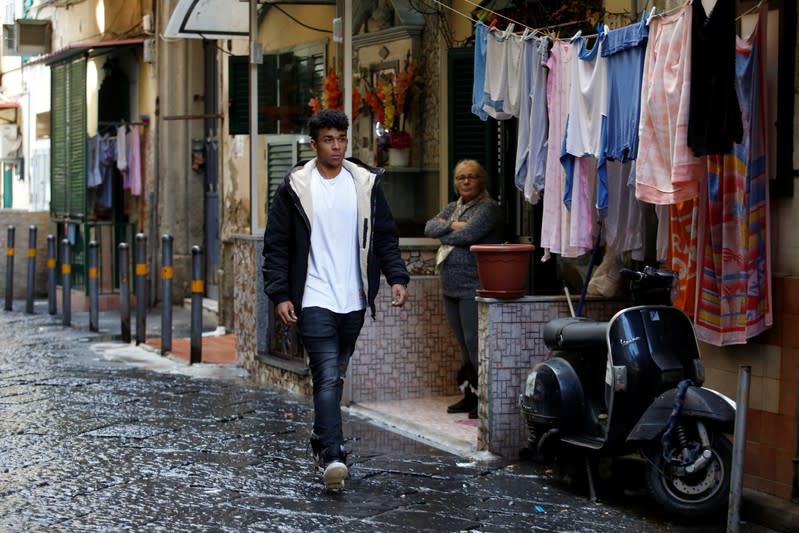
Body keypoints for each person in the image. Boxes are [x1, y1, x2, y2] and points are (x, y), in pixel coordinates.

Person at [262, 109, 409, 489]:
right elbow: (276, 246)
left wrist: (396, 277)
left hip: (354, 298)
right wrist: (280, 294)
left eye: (341, 139)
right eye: (329, 140)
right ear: (314, 144)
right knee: (326, 375)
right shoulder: (295, 186)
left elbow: (385, 236)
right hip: (313, 297)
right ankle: (333, 455)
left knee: (335, 375)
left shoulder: (364, 184)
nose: (337, 146)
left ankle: (319, 438)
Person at [424, 159, 502, 419]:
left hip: (473, 286)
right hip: (451, 287)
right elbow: (428, 227)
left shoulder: (488, 208)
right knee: (463, 345)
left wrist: (447, 232)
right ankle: (469, 397)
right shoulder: (453, 208)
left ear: (482, 180)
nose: (466, 181)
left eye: (472, 177)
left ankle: (484, 402)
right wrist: (452, 226)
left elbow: (469, 235)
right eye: (461, 178)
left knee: (474, 343)